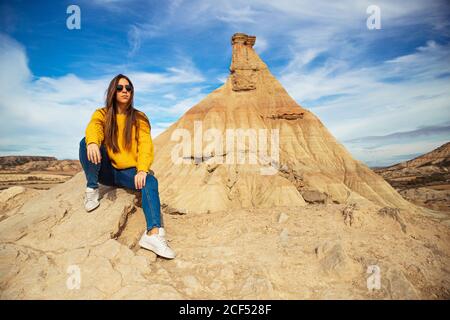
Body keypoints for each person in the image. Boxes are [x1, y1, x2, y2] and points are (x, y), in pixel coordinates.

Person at [79, 74, 175, 259]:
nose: (125, 91)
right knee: (86, 142)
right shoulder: (102, 113)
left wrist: (142, 169)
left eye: (128, 88)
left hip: (127, 173)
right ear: (112, 91)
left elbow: (146, 145)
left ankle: (153, 235)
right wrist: (92, 143)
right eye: (120, 88)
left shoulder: (139, 117)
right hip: (105, 170)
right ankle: (91, 189)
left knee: (150, 181)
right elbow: (94, 128)